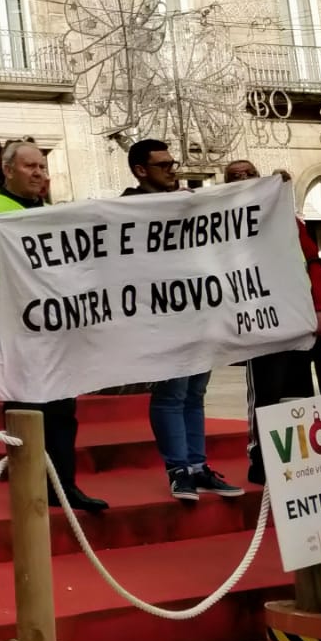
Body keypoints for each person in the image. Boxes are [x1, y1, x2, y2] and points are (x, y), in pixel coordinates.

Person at [0, 140, 106, 513]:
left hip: (57, 328)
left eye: (42, 167)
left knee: (62, 409)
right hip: (16, 329)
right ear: (8, 170)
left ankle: (64, 485)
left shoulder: (52, 213)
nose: (40, 174)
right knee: (27, 411)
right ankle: (28, 485)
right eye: (31, 167)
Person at [122, 139, 241, 502]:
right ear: (141, 171)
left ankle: (197, 466)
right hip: (160, 315)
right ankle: (179, 469)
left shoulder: (189, 202)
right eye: (164, 165)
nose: (173, 170)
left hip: (198, 311)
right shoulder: (125, 208)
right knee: (172, 392)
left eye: (174, 163)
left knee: (195, 392)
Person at [228, 158, 321, 483]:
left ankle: (304, 461)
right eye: (235, 176)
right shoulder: (225, 226)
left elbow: (313, 262)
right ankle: (261, 461)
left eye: (250, 173)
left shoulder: (290, 222)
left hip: (298, 322)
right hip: (260, 327)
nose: (244, 178)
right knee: (266, 394)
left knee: (302, 393)